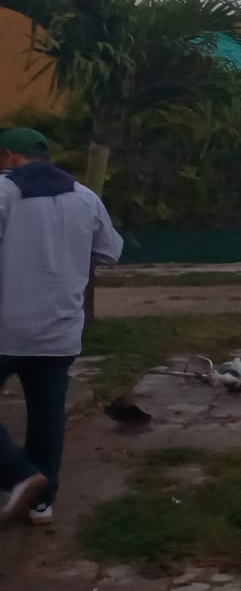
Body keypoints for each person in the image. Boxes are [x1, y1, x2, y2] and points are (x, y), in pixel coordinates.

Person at [0, 127, 123, 526]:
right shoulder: (85, 196)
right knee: (47, 415)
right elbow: (109, 251)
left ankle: (20, 474)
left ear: (8, 156)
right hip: (60, 330)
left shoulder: (3, 191)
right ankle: (42, 502)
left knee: (44, 414)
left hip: (6, 327)